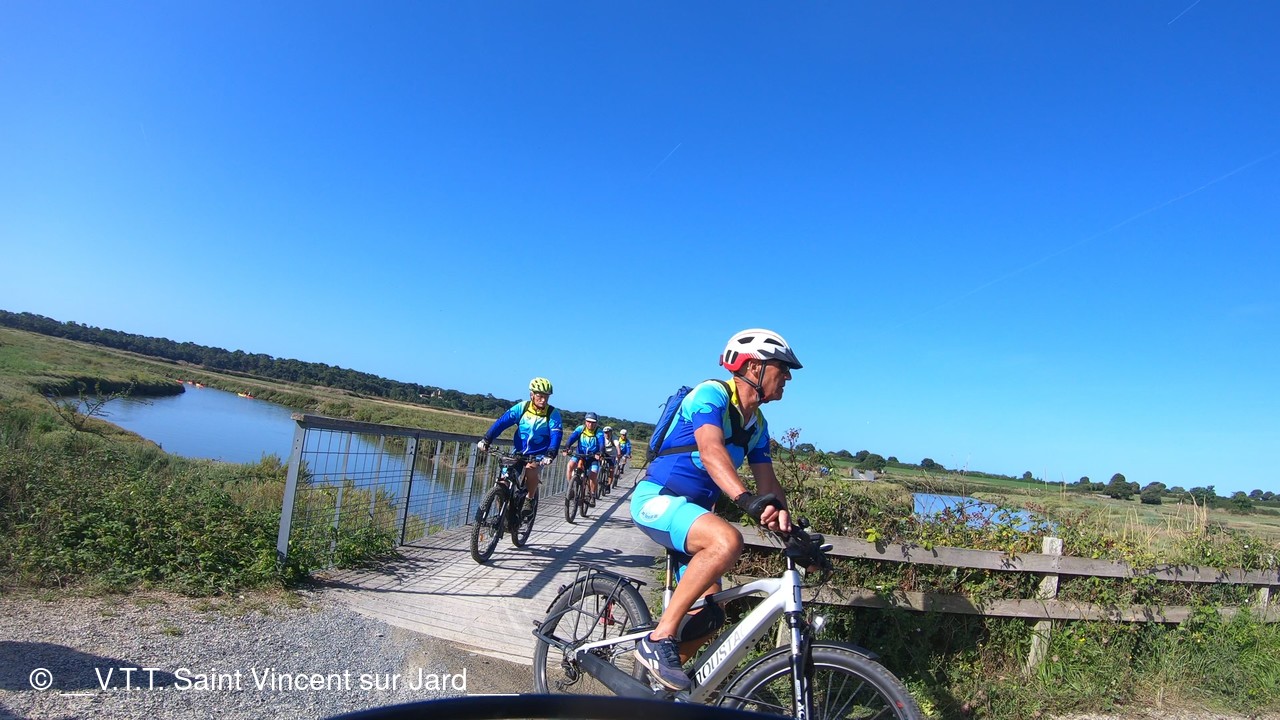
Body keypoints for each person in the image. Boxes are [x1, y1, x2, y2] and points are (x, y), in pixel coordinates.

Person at [629, 329, 802, 691]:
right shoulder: (711, 394)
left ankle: (657, 690)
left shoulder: (757, 425)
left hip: (693, 515)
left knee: (710, 616)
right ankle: (658, 638)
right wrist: (744, 499)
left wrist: (794, 535)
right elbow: (710, 450)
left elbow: (769, 484)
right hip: (657, 500)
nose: (787, 376)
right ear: (754, 367)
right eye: (782, 367)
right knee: (727, 541)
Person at [476, 377, 563, 509]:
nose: (543, 400)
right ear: (532, 395)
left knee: (530, 470)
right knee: (504, 479)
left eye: (546, 397)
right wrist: (487, 439)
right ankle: (502, 514)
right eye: (540, 396)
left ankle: (530, 499)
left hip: (539, 454)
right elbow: (502, 423)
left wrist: (551, 453)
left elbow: (556, 434)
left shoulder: (552, 413)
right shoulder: (522, 407)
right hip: (518, 451)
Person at [563, 412, 607, 506]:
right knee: (570, 465)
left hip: (593, 457)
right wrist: (567, 447)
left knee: (593, 474)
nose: (590, 424)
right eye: (588, 422)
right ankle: (571, 488)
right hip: (580, 454)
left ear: (596, 423)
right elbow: (572, 438)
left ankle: (592, 494)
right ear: (585, 422)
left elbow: (602, 444)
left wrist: (601, 453)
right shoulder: (580, 429)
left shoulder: (599, 432)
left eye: (593, 422)